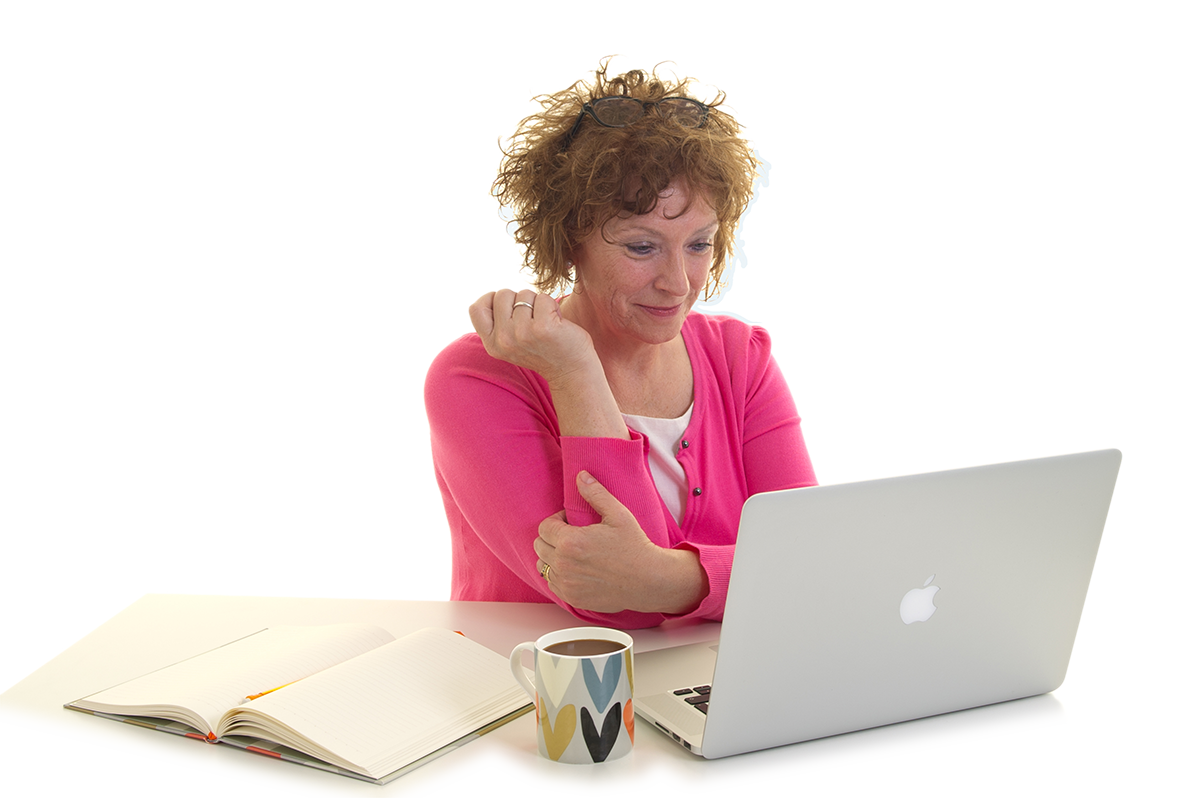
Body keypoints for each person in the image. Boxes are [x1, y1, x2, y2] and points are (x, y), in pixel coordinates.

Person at [424, 60, 817, 628]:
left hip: (713, 690)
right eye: (642, 247)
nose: (678, 284)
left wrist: (665, 578)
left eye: (699, 244)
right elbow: (614, 608)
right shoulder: (478, 377)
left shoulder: (741, 359)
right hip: (538, 697)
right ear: (568, 242)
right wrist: (576, 371)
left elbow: (812, 564)